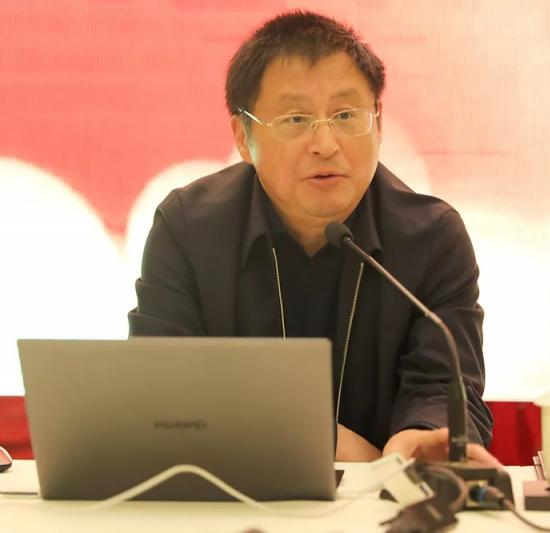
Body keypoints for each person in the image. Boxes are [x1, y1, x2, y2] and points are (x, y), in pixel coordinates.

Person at [129, 10, 498, 465]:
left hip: (386, 498)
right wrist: (340, 447)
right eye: (296, 119)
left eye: (346, 114)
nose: (326, 143)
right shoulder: (188, 228)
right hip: (226, 490)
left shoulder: (433, 238)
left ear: (379, 123)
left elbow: (446, 390)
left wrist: (420, 441)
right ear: (243, 138)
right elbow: (161, 390)